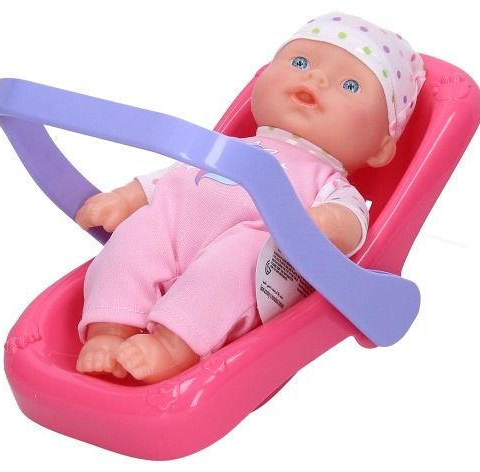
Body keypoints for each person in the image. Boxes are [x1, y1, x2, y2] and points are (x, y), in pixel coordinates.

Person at [74, 12, 426, 383]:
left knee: (234, 267)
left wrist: (323, 224)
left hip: (246, 251)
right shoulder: (227, 147)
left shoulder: (327, 181)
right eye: (300, 63)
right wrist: (126, 197)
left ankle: (173, 346)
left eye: (350, 86)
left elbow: (353, 224)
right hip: (173, 223)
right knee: (134, 236)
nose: (316, 78)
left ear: (380, 149)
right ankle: (108, 330)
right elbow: (173, 177)